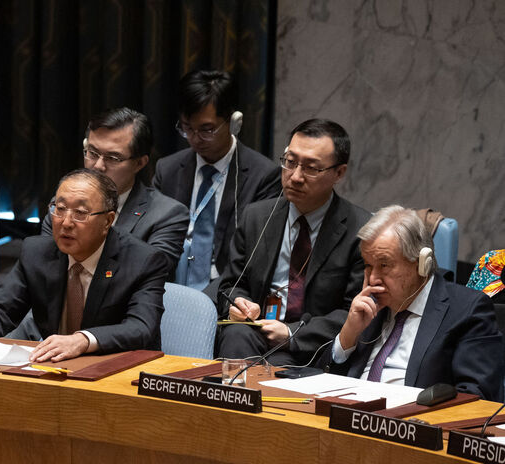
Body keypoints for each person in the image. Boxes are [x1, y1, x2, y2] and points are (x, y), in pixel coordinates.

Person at [0, 168, 169, 362]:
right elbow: (2, 306)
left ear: (107, 221)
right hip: (55, 370)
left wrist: (83, 340)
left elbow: (141, 328)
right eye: (60, 208)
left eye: (81, 213)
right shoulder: (37, 252)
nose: (65, 222)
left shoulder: (144, 261)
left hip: (117, 371)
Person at [217, 119, 370, 366]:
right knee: (236, 334)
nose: (295, 177)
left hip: (315, 349)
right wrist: (238, 303)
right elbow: (230, 284)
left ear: (339, 173)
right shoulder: (256, 216)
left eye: (311, 168)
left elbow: (355, 310)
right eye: (290, 162)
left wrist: (292, 333)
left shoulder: (360, 231)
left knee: (278, 369)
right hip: (256, 332)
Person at [320, 205, 503, 401]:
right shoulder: (367, 306)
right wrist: (348, 335)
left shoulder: (467, 309)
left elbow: (475, 396)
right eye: (368, 265)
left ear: (421, 263)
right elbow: (322, 382)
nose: (373, 278)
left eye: (384, 265)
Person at [154, 70, 281, 297]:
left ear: (233, 122)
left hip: (225, 290)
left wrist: (205, 300)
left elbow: (255, 256)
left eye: (207, 130)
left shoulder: (264, 176)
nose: (194, 139)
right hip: (168, 287)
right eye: (187, 128)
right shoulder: (167, 170)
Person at [41, 108, 188, 271]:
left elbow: (150, 273)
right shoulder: (63, 206)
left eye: (112, 158)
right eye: (92, 153)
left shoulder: (167, 215)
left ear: (140, 163)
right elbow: (46, 266)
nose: (97, 166)